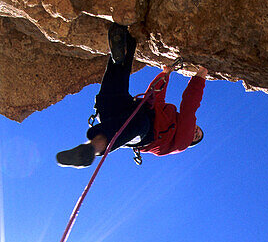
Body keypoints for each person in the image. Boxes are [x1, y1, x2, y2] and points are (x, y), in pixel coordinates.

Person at [56, 23, 207, 167]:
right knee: (113, 92)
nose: (196, 133)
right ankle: (124, 44)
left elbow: (189, 107)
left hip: (142, 132)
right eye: (198, 131)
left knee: (136, 123)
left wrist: (200, 76)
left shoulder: (182, 143)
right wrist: (165, 75)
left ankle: (90, 149)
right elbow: (155, 97)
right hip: (127, 112)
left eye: (196, 138)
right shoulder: (169, 114)